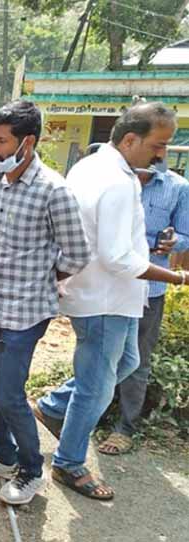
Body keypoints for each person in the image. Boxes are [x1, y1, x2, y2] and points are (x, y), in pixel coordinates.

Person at [33, 102, 188, 500]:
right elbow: (118, 257)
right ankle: (68, 463)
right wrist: (175, 276)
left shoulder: (91, 165)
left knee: (127, 363)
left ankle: (52, 407)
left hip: (103, 294)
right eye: (158, 145)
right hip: (105, 298)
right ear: (131, 139)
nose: (162, 154)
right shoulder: (118, 182)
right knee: (97, 388)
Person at [0, 100, 90, 505]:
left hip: (27, 312)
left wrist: (42, 277)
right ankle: (2, 456)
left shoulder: (54, 190)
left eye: (2, 141)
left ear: (28, 142)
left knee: (9, 394)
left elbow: (77, 254)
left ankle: (31, 469)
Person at [97, 163, 189, 455]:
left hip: (151, 288)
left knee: (136, 358)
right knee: (98, 351)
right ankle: (87, 414)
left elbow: (186, 235)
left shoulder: (177, 187)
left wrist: (174, 243)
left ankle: (125, 426)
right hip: (108, 283)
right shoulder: (110, 178)